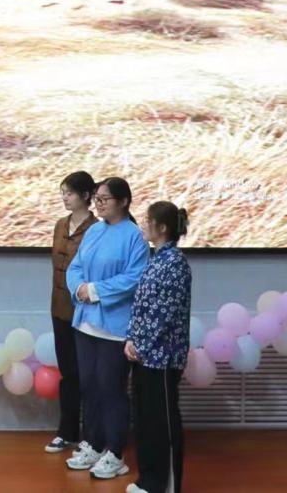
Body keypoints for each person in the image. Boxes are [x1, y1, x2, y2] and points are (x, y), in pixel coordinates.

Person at [65, 176, 148, 480]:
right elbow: (75, 267)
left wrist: (96, 290)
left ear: (123, 202)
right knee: (89, 386)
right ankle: (94, 443)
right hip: (85, 323)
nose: (97, 204)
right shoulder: (94, 230)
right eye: (96, 199)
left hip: (114, 327)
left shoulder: (134, 236)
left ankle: (115, 451)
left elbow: (134, 278)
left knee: (111, 389)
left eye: (104, 199)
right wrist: (79, 288)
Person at [125, 202, 192, 493]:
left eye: (147, 220)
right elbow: (141, 305)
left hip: (163, 358)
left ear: (162, 227)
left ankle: (166, 485)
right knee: (145, 421)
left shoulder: (175, 263)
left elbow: (164, 313)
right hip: (145, 355)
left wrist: (140, 343)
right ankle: (148, 480)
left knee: (162, 422)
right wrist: (131, 338)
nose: (143, 224)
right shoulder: (156, 259)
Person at [44, 171, 96, 454]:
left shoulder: (97, 229)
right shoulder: (60, 225)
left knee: (89, 374)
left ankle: (93, 435)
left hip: (87, 312)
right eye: (62, 192)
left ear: (86, 196)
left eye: (70, 193)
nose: (65, 198)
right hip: (59, 308)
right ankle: (67, 432)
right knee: (68, 373)